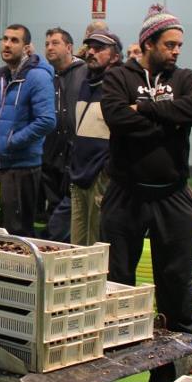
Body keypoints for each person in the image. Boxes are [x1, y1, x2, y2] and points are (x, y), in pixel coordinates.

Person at [100, 4, 192, 334]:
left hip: (172, 194)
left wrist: (144, 109)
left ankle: (181, 346)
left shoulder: (185, 78)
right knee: (117, 275)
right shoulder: (118, 76)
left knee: (176, 276)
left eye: (179, 46)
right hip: (125, 193)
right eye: (169, 45)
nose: (176, 52)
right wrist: (169, 120)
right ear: (148, 43)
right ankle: (117, 341)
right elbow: (117, 118)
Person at [0, 25, 56, 237]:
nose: (7, 44)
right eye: (5, 39)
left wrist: (11, 142)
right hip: (6, 165)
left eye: (14, 40)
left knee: (20, 231)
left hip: (24, 167)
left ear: (27, 47)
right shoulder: (5, 77)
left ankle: (23, 270)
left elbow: (47, 121)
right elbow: (1, 118)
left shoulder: (37, 77)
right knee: (8, 228)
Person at [70, 31, 122, 246]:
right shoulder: (86, 84)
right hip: (78, 176)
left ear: (115, 57)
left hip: (101, 178)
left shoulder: (118, 88)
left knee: (97, 244)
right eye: (90, 47)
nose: (91, 52)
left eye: (99, 48)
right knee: (77, 244)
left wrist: (107, 168)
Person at [41, 27, 86, 241]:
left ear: (69, 47)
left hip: (75, 156)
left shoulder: (84, 72)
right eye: (47, 43)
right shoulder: (46, 76)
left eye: (55, 43)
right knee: (54, 209)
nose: (49, 47)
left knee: (71, 214)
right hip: (50, 156)